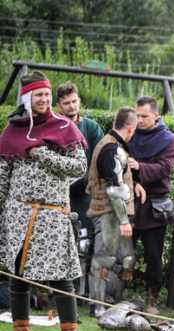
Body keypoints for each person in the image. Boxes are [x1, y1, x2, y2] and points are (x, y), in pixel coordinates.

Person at [0, 71, 88, 331]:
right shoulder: (11, 132)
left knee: (61, 280)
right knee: (18, 279)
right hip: (18, 215)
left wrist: (42, 154)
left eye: (47, 94)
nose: (45, 99)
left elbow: (79, 168)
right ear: (27, 98)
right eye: (39, 95)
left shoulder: (64, 127)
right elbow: (3, 178)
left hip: (53, 216)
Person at [85, 106, 139, 316]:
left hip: (113, 213)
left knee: (120, 259)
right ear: (131, 128)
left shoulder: (113, 145)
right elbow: (115, 190)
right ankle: (97, 308)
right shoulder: (110, 148)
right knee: (103, 259)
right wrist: (124, 221)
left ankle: (107, 304)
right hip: (109, 213)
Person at [127, 96, 174, 316]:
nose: (139, 120)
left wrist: (139, 165)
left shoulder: (168, 139)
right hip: (128, 201)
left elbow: (164, 169)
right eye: (137, 115)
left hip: (154, 205)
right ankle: (111, 296)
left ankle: (152, 300)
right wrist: (134, 182)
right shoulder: (128, 133)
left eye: (144, 116)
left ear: (156, 116)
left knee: (154, 256)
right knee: (120, 252)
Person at [56, 81, 104, 301]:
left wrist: (83, 183)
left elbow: (99, 161)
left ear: (79, 101)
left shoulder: (92, 128)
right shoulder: (52, 127)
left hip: (84, 195)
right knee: (56, 244)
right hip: (55, 194)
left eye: (74, 101)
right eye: (66, 103)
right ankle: (54, 291)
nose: (71, 106)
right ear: (59, 105)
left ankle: (82, 293)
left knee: (83, 246)